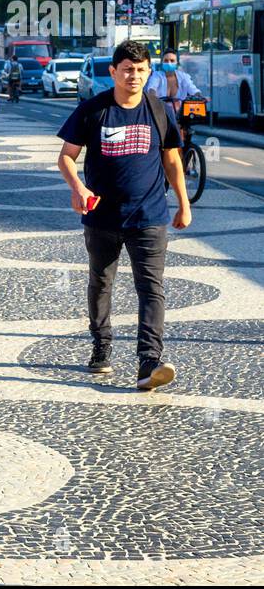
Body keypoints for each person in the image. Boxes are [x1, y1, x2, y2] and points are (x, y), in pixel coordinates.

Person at [56, 41, 191, 391]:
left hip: (149, 215)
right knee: (101, 282)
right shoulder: (93, 110)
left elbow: (172, 159)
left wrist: (183, 203)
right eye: (128, 69)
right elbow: (66, 156)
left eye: (142, 70)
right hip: (102, 217)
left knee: (151, 288)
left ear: (149, 73)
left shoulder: (159, 110)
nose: (135, 75)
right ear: (113, 72)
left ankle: (149, 361)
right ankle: (101, 346)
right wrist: (78, 188)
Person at [145, 50, 203, 146]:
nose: (169, 63)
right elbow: (152, 88)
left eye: (172, 60)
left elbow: (192, 89)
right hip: (161, 113)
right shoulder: (157, 76)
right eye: (166, 60)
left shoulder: (183, 76)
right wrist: (153, 97)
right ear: (162, 62)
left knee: (186, 134)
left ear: (177, 63)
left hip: (180, 114)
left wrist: (200, 96)